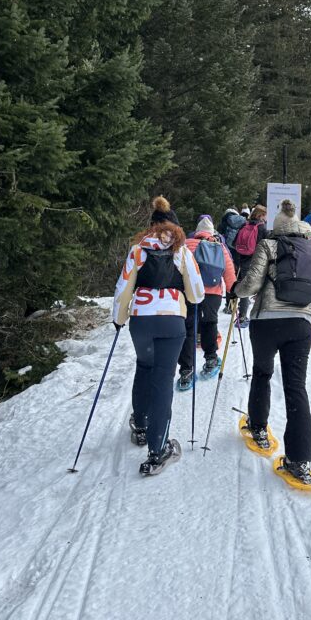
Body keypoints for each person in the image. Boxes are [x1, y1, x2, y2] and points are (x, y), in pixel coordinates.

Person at [234, 199, 311, 485]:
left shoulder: (269, 245)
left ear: (277, 227)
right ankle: (299, 461)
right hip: (301, 324)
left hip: (267, 322)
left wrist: (236, 290)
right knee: (296, 387)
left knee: (262, 373)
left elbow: (249, 286)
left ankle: (259, 428)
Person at [112, 196, 205, 476]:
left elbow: (123, 287)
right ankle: (158, 448)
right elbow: (196, 293)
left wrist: (119, 320)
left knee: (144, 367)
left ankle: (140, 425)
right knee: (164, 379)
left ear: (151, 227)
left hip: (141, 322)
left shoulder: (137, 250)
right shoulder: (181, 251)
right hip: (171, 322)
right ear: (175, 228)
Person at [177, 215, 236, 388]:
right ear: (211, 232)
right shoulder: (219, 247)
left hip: (189, 292)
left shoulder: (186, 245)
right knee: (209, 323)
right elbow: (229, 271)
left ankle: (186, 371)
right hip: (213, 294)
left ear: (196, 231)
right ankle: (210, 359)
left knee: (188, 328)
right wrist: (233, 291)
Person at [232, 204, 267, 328]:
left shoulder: (244, 225)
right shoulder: (262, 227)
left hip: (243, 261)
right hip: (258, 262)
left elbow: (234, 243)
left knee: (246, 287)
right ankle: (260, 315)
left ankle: (241, 317)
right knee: (262, 287)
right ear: (261, 215)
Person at [219, 205, 247, 309]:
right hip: (239, 253)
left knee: (230, 280)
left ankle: (229, 305)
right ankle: (240, 305)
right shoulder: (242, 221)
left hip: (228, 253)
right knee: (240, 280)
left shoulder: (224, 220)